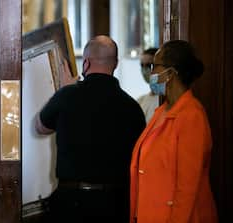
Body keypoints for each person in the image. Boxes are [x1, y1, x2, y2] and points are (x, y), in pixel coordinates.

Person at [35, 35, 146, 223]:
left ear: (85, 63)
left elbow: (40, 127)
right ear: (116, 64)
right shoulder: (132, 107)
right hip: (115, 205)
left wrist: (63, 91)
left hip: (72, 204)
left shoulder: (67, 96)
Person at [130, 40, 218, 223]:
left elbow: (187, 188)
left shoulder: (191, 116)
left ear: (170, 73)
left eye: (155, 66)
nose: (151, 73)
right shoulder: (162, 111)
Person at [137, 47, 159, 123]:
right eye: (142, 65)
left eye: (149, 65)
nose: (144, 69)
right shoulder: (140, 100)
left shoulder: (163, 100)